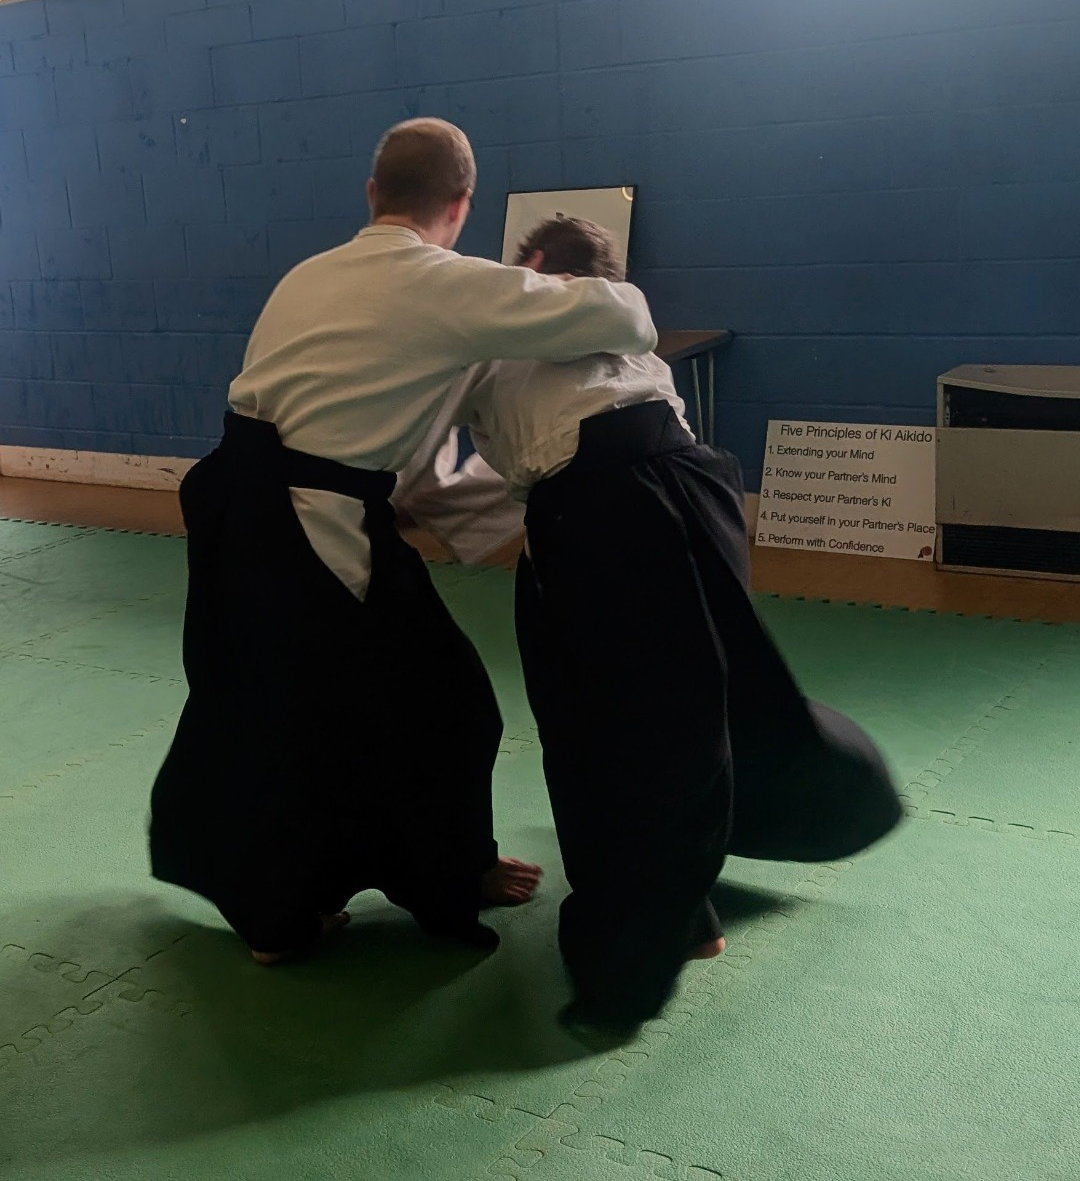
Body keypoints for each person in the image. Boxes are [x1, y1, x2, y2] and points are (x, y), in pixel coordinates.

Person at [149, 123, 660, 964]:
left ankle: (298, 906)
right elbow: (625, 317)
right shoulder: (442, 281)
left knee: (267, 708)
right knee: (439, 706)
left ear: (371, 193)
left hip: (232, 511)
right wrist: (570, 285)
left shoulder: (308, 274)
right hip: (309, 530)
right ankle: (405, 885)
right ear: (461, 206)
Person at [447, 217, 904, 1033]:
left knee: (600, 729)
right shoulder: (633, 329)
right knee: (709, 701)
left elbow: (496, 456)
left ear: (537, 265)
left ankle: (640, 947)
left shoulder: (512, 331)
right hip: (698, 487)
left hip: (603, 511)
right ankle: (709, 895)